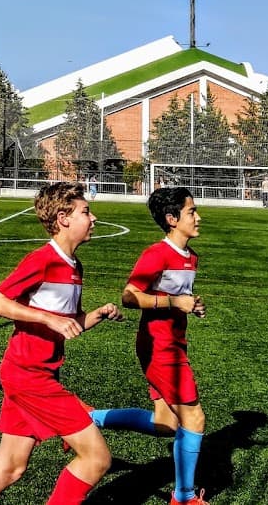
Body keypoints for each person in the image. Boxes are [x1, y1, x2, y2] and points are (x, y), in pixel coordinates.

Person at [0, 181, 124, 504]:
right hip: (28, 376)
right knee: (97, 458)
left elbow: (70, 324)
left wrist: (98, 315)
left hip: (36, 374)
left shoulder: (75, 267)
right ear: (63, 218)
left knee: (9, 468)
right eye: (86, 212)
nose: (94, 219)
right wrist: (48, 318)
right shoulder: (42, 260)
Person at [88, 187, 209, 505]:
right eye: (191, 212)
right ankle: (183, 498)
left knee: (167, 423)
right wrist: (172, 301)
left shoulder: (191, 257)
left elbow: (178, 298)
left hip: (175, 345)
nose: (198, 217)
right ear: (172, 219)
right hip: (159, 348)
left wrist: (191, 305)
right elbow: (129, 296)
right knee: (194, 418)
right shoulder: (157, 254)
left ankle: (90, 418)